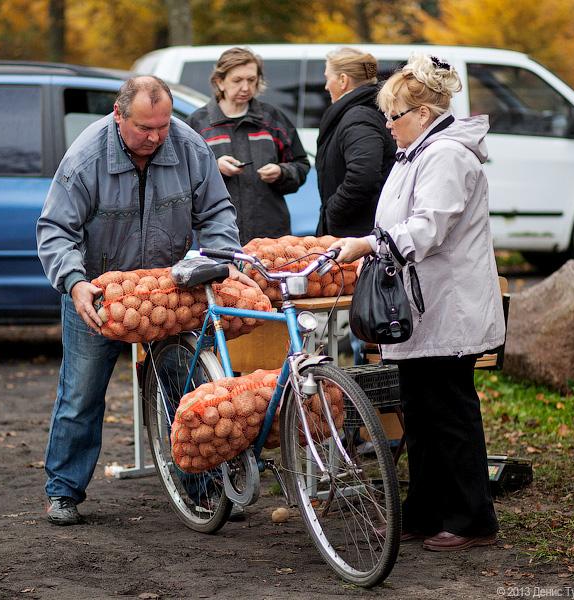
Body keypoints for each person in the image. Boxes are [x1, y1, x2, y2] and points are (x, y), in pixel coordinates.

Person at [37, 76, 253, 526]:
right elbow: (56, 229)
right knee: (81, 393)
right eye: (144, 128)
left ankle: (203, 488)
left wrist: (220, 259)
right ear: (119, 117)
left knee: (186, 390)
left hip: (166, 290)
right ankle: (63, 491)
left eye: (163, 126)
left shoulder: (189, 147)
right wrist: (75, 283)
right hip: (98, 292)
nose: (155, 137)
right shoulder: (86, 156)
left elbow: (215, 212)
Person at [329, 54, 506, 551]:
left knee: (449, 416)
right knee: (422, 416)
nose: (386, 125)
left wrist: (368, 245)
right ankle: (426, 513)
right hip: (425, 309)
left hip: (450, 309)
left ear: (423, 115)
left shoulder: (446, 155)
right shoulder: (419, 153)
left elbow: (427, 228)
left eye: (393, 116)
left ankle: (473, 521)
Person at [186, 47, 310, 244]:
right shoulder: (197, 124)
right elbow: (182, 180)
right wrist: (214, 168)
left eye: (251, 80)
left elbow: (301, 165)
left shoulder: (272, 119)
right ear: (220, 82)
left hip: (270, 236)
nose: (245, 87)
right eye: (237, 80)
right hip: (218, 235)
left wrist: (282, 172)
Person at [315, 47, 396, 238]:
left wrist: (332, 212)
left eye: (328, 78)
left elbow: (363, 176)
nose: (326, 86)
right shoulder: (367, 109)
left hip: (355, 235)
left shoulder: (359, 117)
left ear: (343, 80)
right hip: (361, 231)